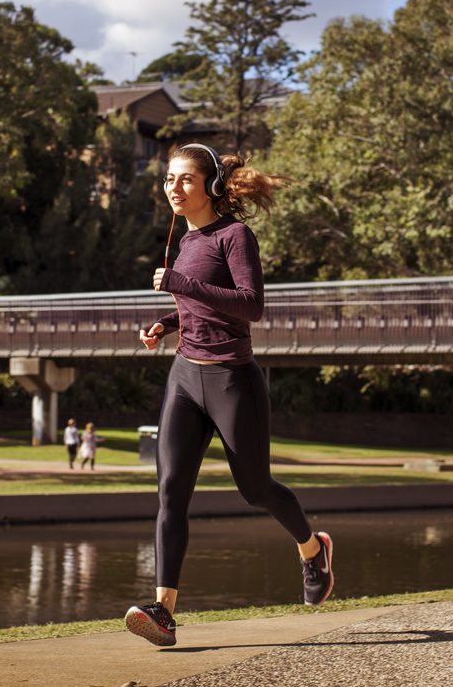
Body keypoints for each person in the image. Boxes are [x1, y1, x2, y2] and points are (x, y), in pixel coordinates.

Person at [124, 143, 334, 648]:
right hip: (183, 377)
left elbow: (250, 306)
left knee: (255, 490)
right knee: (171, 491)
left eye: (185, 180)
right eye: (169, 179)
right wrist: (165, 323)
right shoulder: (185, 242)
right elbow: (197, 308)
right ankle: (164, 612)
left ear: (211, 186)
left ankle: (312, 550)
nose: (174, 188)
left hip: (232, 380)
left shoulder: (234, 236)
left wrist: (178, 284)